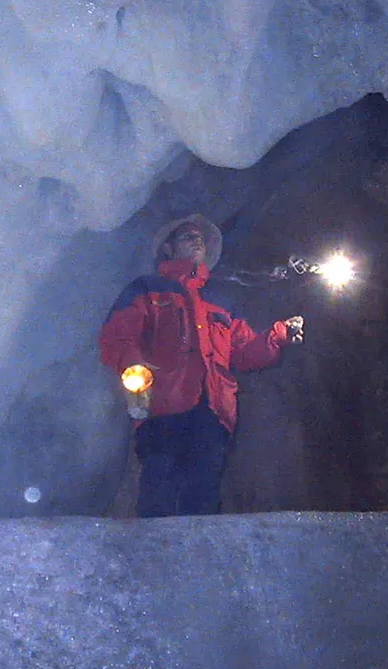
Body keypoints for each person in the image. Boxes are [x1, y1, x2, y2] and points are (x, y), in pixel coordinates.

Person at [99, 214, 303, 517]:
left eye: (200, 238)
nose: (197, 241)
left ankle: (199, 562)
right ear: (167, 249)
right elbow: (116, 336)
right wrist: (135, 368)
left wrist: (278, 334)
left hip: (212, 412)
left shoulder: (219, 302)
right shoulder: (147, 290)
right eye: (187, 236)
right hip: (162, 409)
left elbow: (244, 352)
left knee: (203, 493)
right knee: (160, 488)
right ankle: (154, 560)